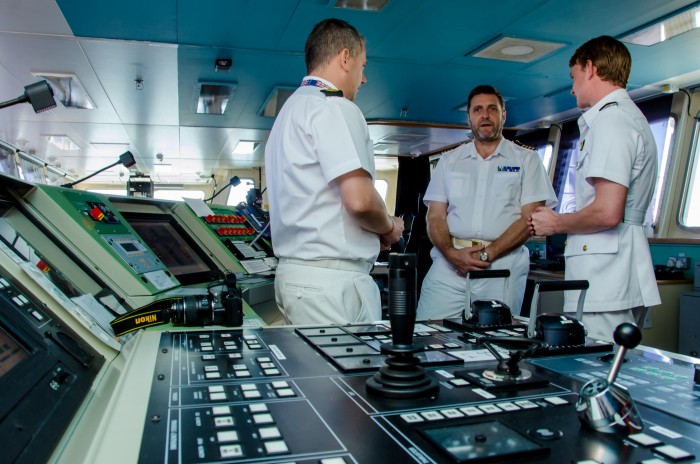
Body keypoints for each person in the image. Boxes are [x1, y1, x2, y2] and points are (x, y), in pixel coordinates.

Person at [264, 18, 404, 325]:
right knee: (350, 375)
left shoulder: (289, 112)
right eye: (363, 65)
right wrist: (388, 227)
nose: (363, 78)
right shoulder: (334, 107)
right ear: (345, 58)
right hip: (332, 285)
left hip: (298, 278)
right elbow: (361, 202)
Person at [528, 36, 661, 341]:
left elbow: (607, 212)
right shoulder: (626, 117)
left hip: (605, 278)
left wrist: (555, 223)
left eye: (573, 77)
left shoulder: (611, 121)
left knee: (596, 370)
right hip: (613, 271)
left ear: (590, 68)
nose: (572, 88)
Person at [417, 85, 557, 321]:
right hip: (449, 265)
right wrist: (451, 254)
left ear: (503, 115)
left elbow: (530, 218)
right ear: (469, 117)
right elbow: (435, 215)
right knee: (427, 333)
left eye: (492, 109)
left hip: (502, 266)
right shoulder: (450, 161)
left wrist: (486, 255)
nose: (485, 115)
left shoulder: (527, 160)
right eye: (478, 109)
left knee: (499, 341)